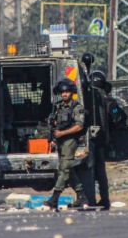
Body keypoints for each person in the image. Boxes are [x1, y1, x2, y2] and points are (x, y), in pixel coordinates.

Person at [44, 78, 88, 211]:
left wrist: (62, 133)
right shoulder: (57, 107)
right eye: (62, 92)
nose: (64, 94)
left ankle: (54, 199)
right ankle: (82, 197)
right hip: (60, 142)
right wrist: (53, 136)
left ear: (72, 93)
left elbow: (79, 126)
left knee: (64, 169)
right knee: (69, 169)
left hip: (70, 141)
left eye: (67, 92)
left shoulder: (77, 107)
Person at [88, 70, 113, 210]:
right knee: (100, 172)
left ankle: (91, 198)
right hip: (101, 139)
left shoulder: (89, 97)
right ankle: (104, 199)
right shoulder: (106, 98)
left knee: (91, 170)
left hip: (93, 139)